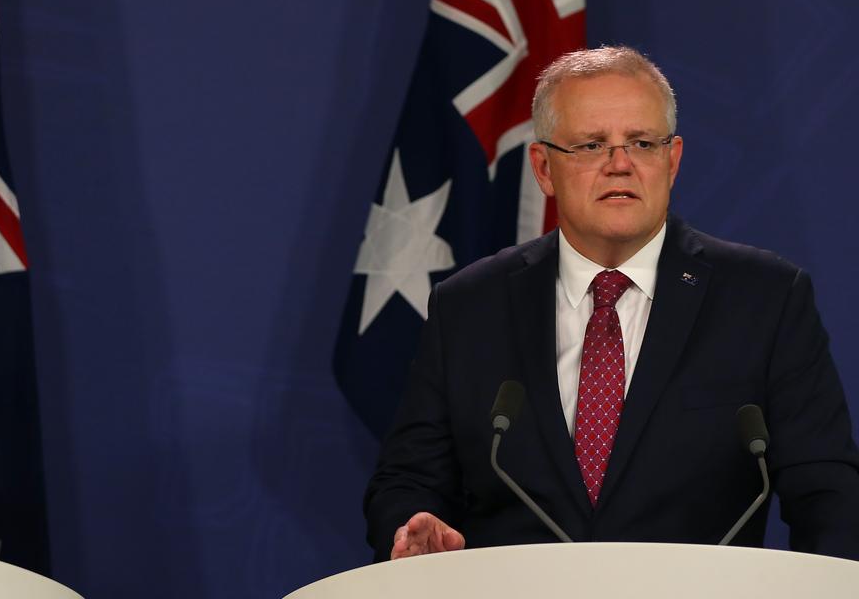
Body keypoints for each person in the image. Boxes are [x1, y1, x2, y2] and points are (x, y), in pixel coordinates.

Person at [364, 46, 859, 561]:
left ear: (672, 160)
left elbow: (828, 494)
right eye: (592, 145)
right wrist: (411, 528)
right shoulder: (468, 307)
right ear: (543, 168)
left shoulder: (765, 298)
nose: (620, 164)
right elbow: (409, 478)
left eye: (642, 143)